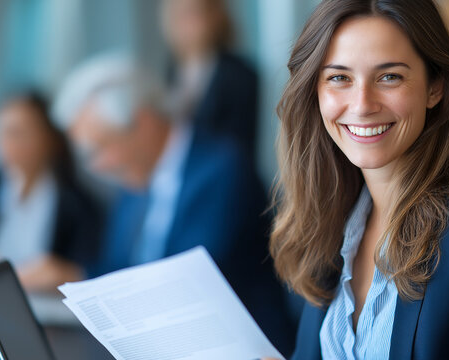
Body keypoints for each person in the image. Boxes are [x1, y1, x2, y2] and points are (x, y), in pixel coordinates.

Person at [269, 0, 449, 359]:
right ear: (316, 91)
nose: (362, 104)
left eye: (390, 76)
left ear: (435, 86)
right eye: (339, 78)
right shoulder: (330, 220)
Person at [52, 55, 294, 355]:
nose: (96, 167)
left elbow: (186, 283)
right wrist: (71, 276)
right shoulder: (135, 184)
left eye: (99, 149)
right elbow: (123, 266)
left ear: (143, 122)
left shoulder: (222, 170)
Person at [0, 92, 101, 292]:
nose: (9, 143)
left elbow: (87, 270)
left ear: (49, 137)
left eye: (19, 132)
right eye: (3, 132)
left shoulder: (79, 207)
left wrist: (61, 273)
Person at [160, 0, 258, 157]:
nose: (185, 22)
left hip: (226, 174)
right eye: (180, 14)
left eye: (193, 13)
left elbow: (237, 145)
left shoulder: (240, 74)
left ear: (214, 16)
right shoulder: (171, 70)